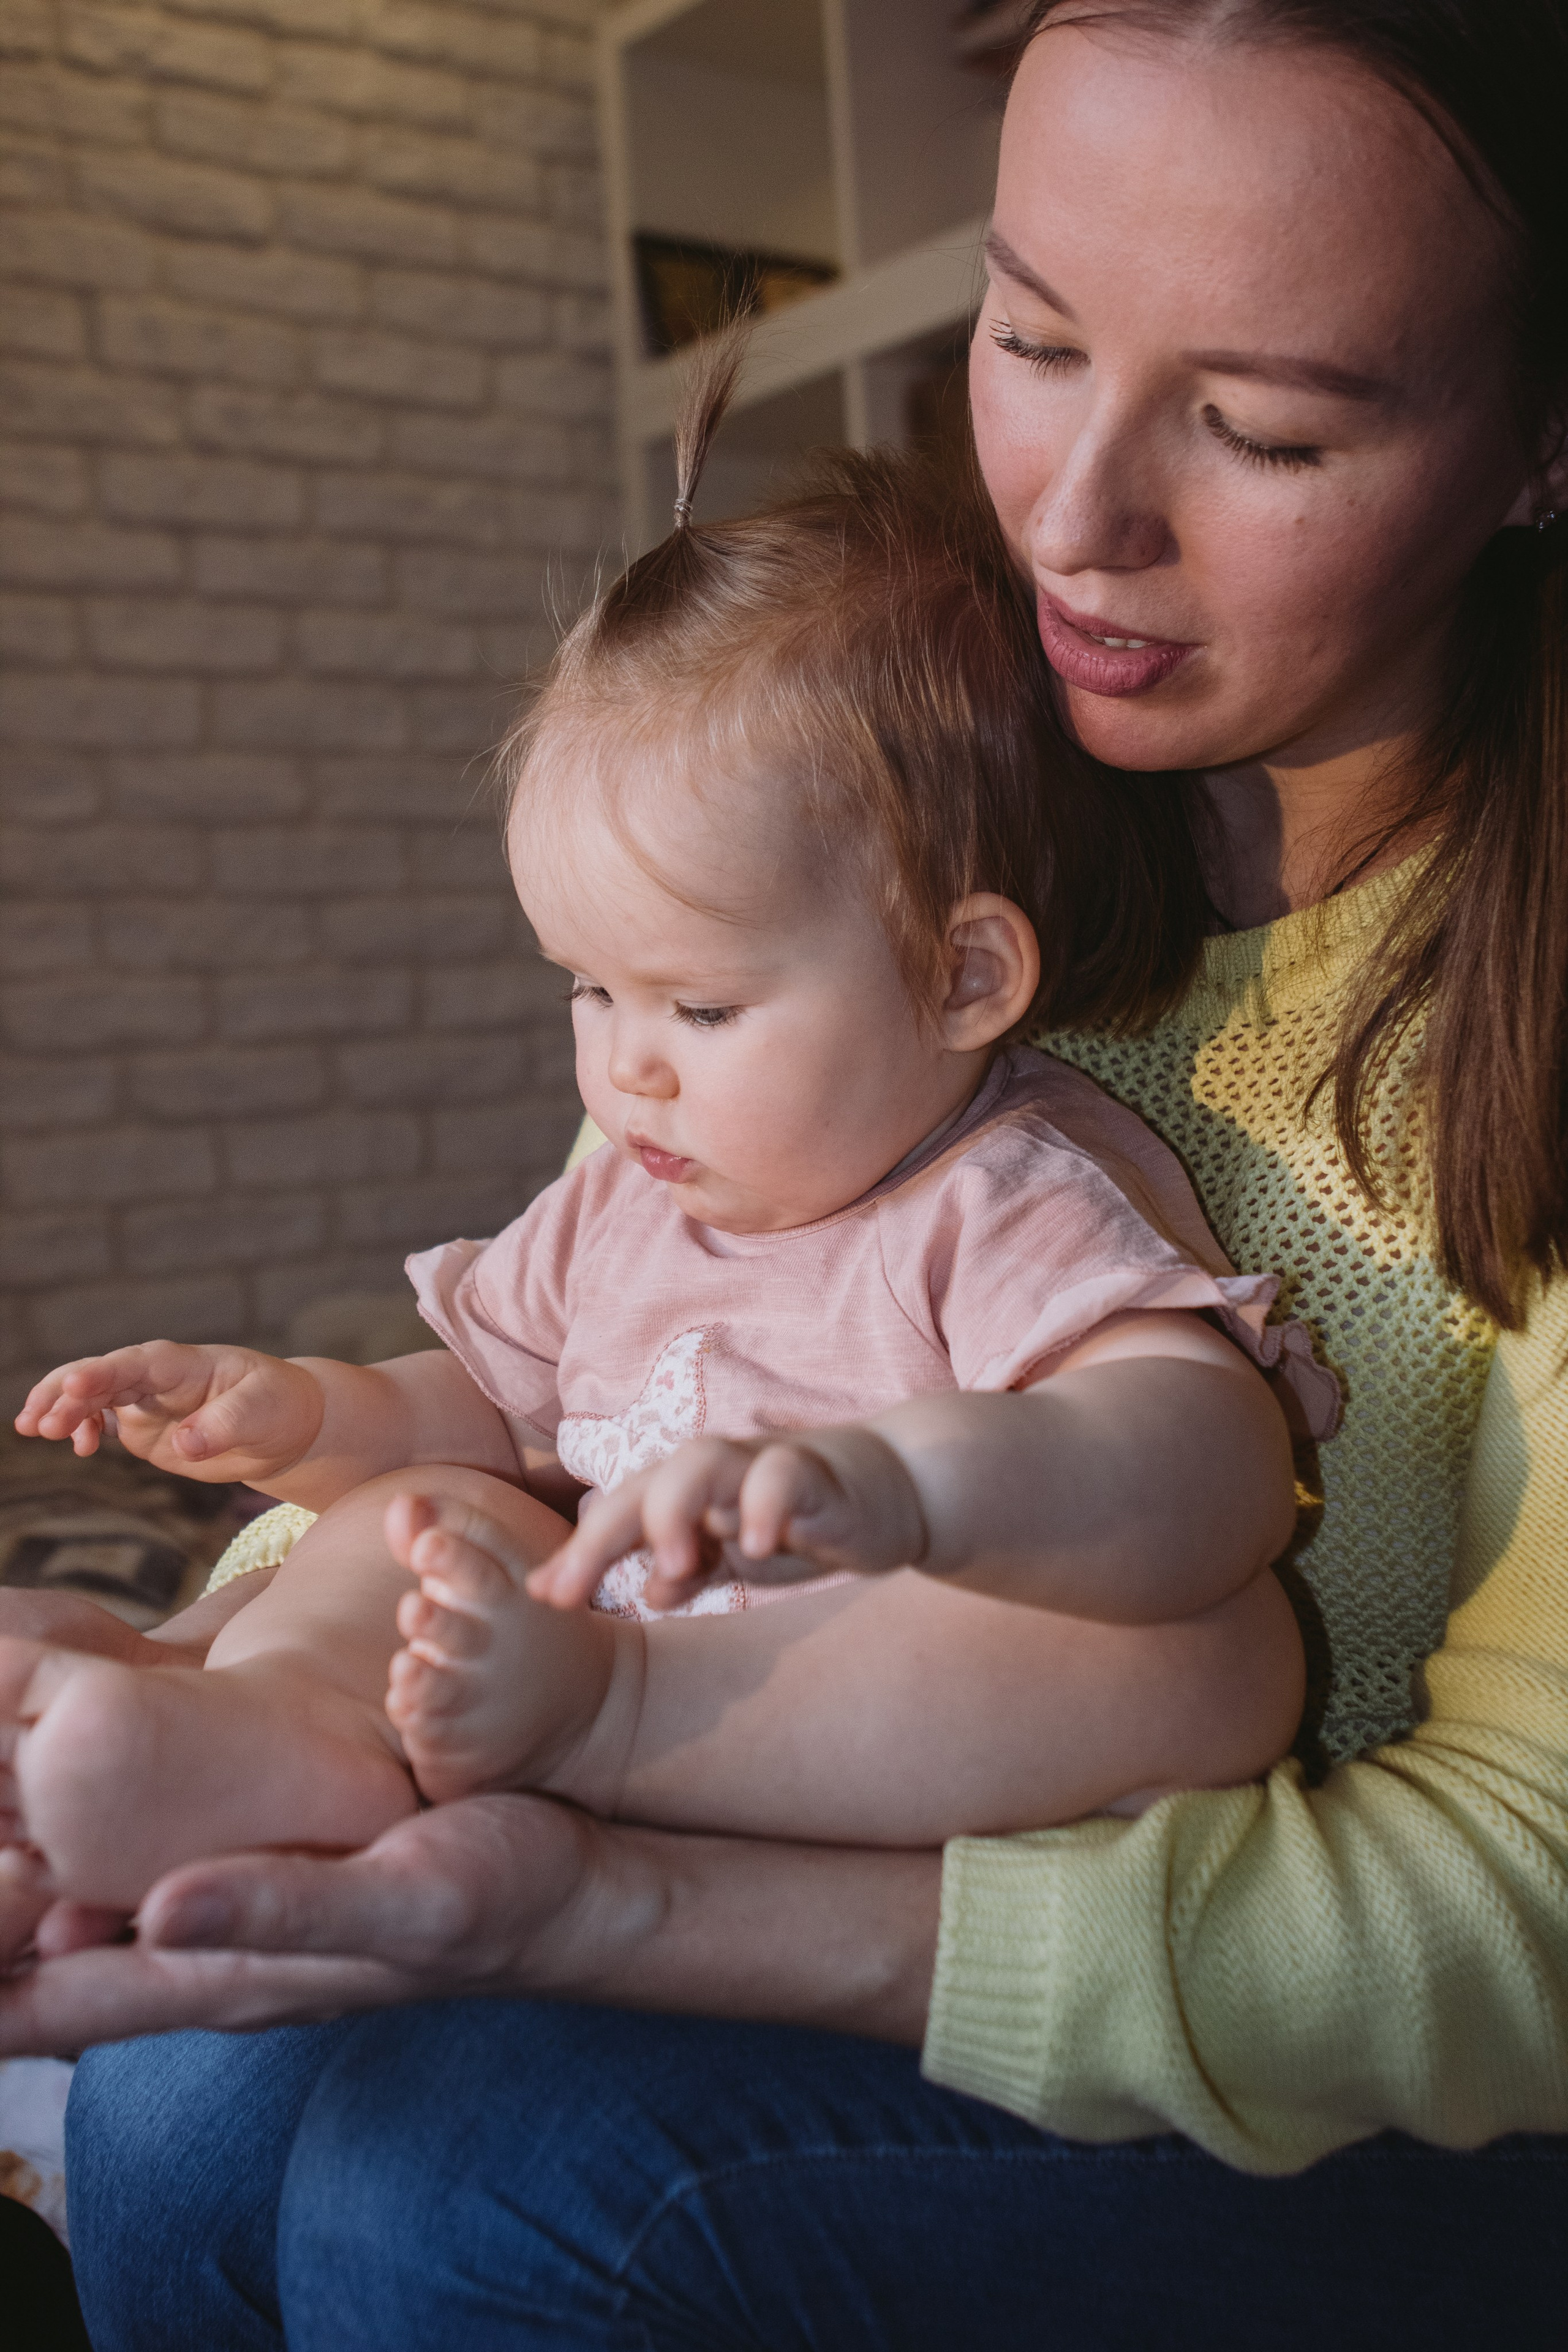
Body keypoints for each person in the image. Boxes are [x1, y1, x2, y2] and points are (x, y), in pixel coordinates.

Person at [6, 2, 1568, 2343]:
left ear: (1541, 448)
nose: (1069, 518)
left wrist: (595, 1890)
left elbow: (1516, 1910)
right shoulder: (878, 776)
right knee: (182, 2093)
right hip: (685, 1776)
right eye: (1027, 335)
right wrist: (229, 1641)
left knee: (473, 2187)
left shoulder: (1104, 1063)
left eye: (1260, 426)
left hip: (1359, 2065)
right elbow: (572, 1383)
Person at [4, 399, 1331, 1909]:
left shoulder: (999, 1194)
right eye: (588, 986)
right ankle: (232, 1720)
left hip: (833, 1723)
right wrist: (303, 1411)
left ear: (961, 978)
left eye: (699, 1004)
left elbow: (1209, 1465)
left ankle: (582, 1723)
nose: (622, 1064)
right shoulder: (620, 1202)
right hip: (581, 1664)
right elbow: (491, 1416)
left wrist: (907, 1489)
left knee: (1216, 1658)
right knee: (418, 1521)